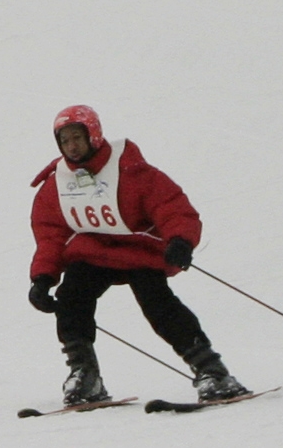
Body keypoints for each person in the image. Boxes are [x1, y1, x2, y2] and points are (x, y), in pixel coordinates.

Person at [25, 103, 248, 406]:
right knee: (72, 297)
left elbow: (172, 208)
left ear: (93, 135)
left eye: (77, 137)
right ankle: (84, 374)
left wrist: (180, 240)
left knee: (158, 305)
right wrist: (42, 278)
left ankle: (212, 371)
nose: (72, 146)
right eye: (64, 141)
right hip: (94, 254)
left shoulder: (131, 170)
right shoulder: (57, 184)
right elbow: (51, 235)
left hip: (139, 252)